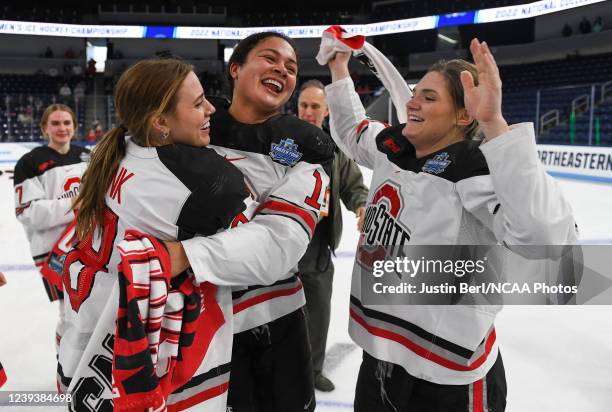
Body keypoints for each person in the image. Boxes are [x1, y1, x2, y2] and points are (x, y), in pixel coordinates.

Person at [324, 37, 577, 411]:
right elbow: (351, 131)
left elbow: (547, 241)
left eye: (429, 97)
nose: (411, 102)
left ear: (463, 116)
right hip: (379, 355)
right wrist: (339, 67)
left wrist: (495, 125)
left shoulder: (477, 171)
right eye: (415, 93)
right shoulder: (395, 146)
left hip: (445, 374)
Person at [165, 32, 335, 412]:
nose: (282, 70)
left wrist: (184, 256)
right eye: (270, 58)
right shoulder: (188, 124)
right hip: (191, 321)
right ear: (236, 68)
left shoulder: (307, 146)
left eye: (291, 67)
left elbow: (279, 243)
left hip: (273, 327)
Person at [297, 79, 368, 392]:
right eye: (304, 105)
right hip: (278, 246)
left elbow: (354, 186)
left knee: (317, 312)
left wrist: (363, 205)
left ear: (326, 111)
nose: (309, 111)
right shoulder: (278, 140)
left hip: (318, 245)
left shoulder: (335, 148)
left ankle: (311, 371)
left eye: (315, 106)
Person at [13, 104, 89, 356]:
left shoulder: (85, 156)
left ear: (75, 127)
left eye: (67, 123)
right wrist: (73, 203)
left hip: (90, 246)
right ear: (45, 127)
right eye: (55, 123)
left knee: (91, 311)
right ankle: (65, 366)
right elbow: (27, 212)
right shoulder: (29, 162)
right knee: (69, 314)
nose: (62, 128)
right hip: (54, 253)